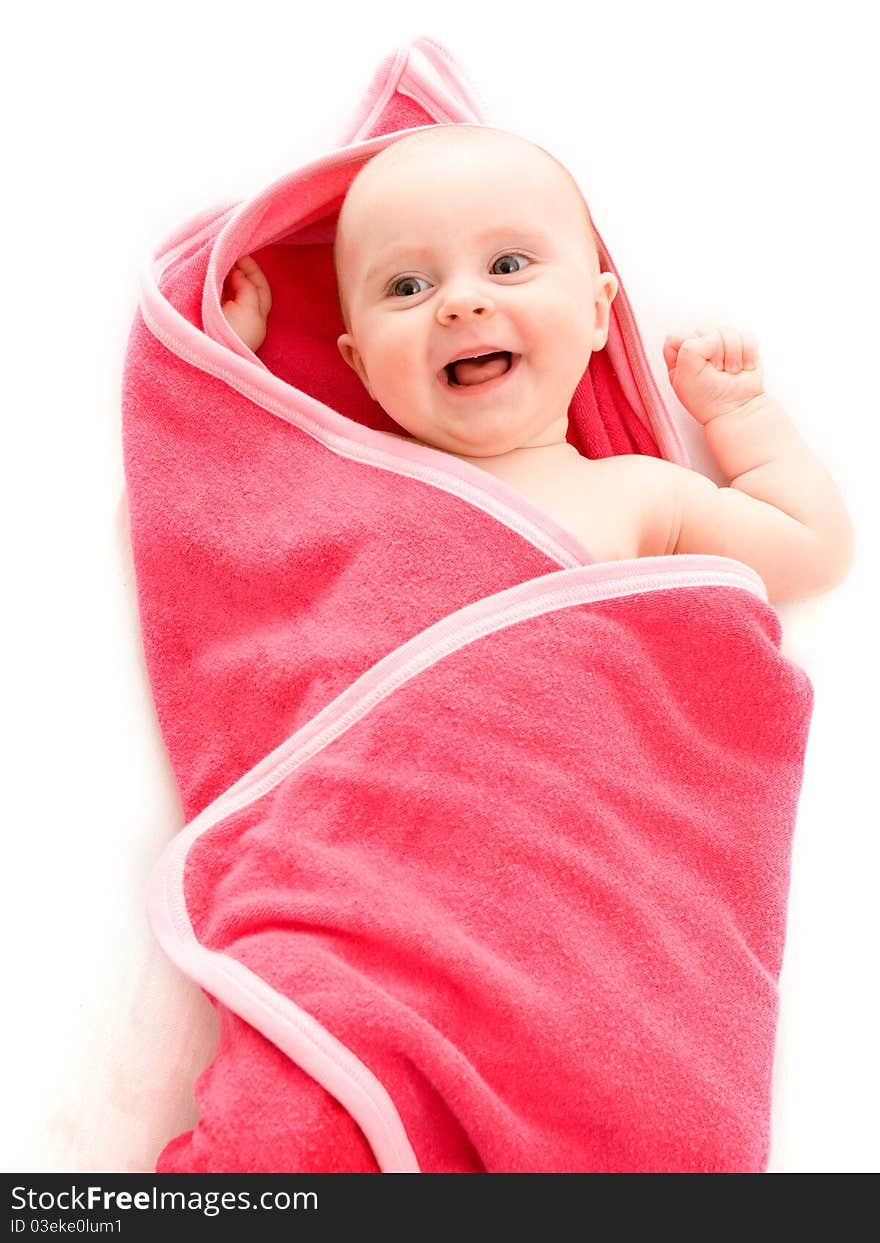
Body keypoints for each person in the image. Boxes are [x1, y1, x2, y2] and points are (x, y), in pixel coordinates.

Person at [221, 123, 854, 603]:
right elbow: (227, 516)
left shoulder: (639, 496)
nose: (462, 303)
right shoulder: (345, 473)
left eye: (506, 266)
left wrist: (741, 414)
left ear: (597, 311)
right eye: (409, 287)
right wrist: (233, 362)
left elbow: (813, 550)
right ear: (361, 367)